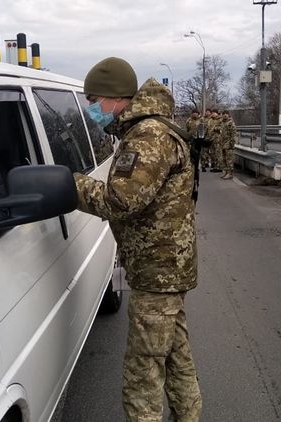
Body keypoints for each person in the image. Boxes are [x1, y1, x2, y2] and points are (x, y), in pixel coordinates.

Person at [73, 57, 202, 422]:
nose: (92, 108)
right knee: (176, 357)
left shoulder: (148, 137)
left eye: (94, 100)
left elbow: (121, 200)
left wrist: (72, 184)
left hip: (158, 272)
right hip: (165, 269)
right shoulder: (145, 129)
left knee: (142, 374)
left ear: (116, 97)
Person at [220, 112, 237, 180]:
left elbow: (233, 134)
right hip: (223, 143)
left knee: (229, 159)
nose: (224, 115)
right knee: (224, 159)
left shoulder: (231, 123)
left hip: (228, 144)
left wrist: (232, 144)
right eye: (223, 114)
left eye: (226, 114)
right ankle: (226, 172)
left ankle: (230, 173)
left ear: (228, 115)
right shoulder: (222, 123)